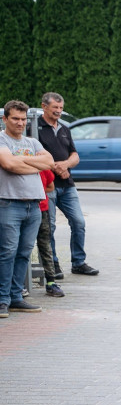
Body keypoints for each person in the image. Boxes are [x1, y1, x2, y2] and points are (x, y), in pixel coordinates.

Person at [0, 99, 53, 319]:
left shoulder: (32, 142)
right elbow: (9, 165)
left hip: (34, 205)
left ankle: (16, 298)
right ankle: (2, 300)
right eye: (15, 118)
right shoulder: (1, 140)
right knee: (7, 253)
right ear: (5, 119)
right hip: (9, 203)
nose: (21, 123)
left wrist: (21, 160)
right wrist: (32, 163)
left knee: (24, 253)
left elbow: (49, 162)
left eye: (23, 119)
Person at [36, 92, 98, 276]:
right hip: (48, 185)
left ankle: (78, 262)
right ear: (44, 106)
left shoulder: (64, 128)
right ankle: (53, 265)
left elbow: (75, 155)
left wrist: (66, 165)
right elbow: (36, 156)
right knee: (51, 226)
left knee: (79, 222)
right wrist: (55, 167)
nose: (58, 111)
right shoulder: (35, 128)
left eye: (61, 108)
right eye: (55, 108)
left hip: (67, 184)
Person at [37, 168, 63, 297]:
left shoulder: (43, 167)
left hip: (42, 210)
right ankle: (19, 286)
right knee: (21, 248)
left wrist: (37, 194)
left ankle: (51, 282)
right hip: (22, 210)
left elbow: (50, 187)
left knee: (45, 246)